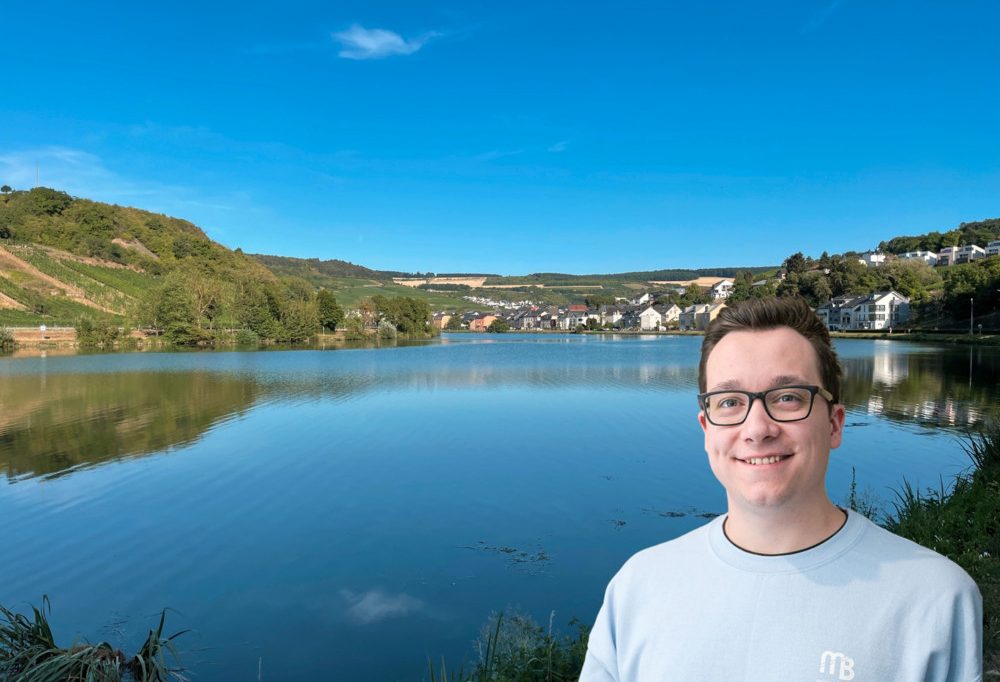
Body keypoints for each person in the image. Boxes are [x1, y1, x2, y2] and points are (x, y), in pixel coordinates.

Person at [580, 297, 982, 681]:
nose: (757, 429)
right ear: (706, 429)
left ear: (834, 424)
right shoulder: (638, 587)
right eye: (729, 402)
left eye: (788, 397)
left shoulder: (933, 597)